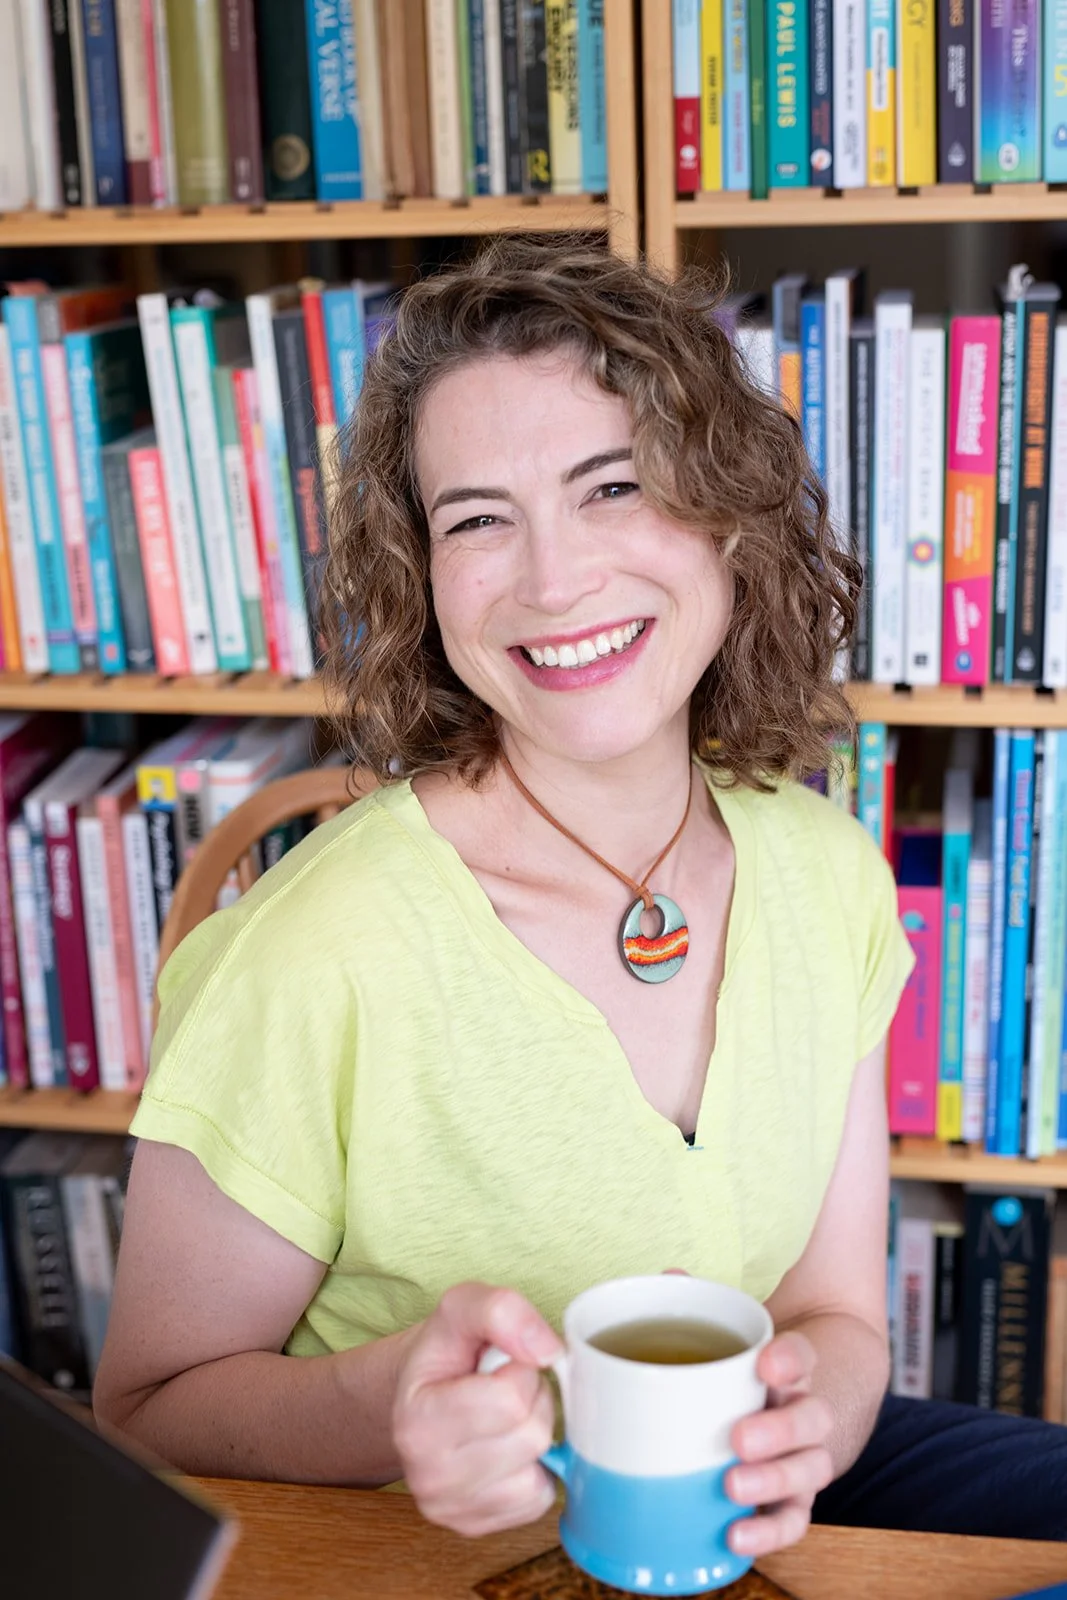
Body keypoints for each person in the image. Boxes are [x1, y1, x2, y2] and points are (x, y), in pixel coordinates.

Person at [93, 236, 1067, 1555]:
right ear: (422, 581)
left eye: (611, 486)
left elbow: (835, 1312)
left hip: (734, 1511)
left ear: (729, 512)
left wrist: (814, 1424)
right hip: (429, 1557)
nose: (554, 582)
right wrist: (390, 1403)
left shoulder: (825, 874)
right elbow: (147, 1412)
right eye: (478, 518)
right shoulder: (310, 953)